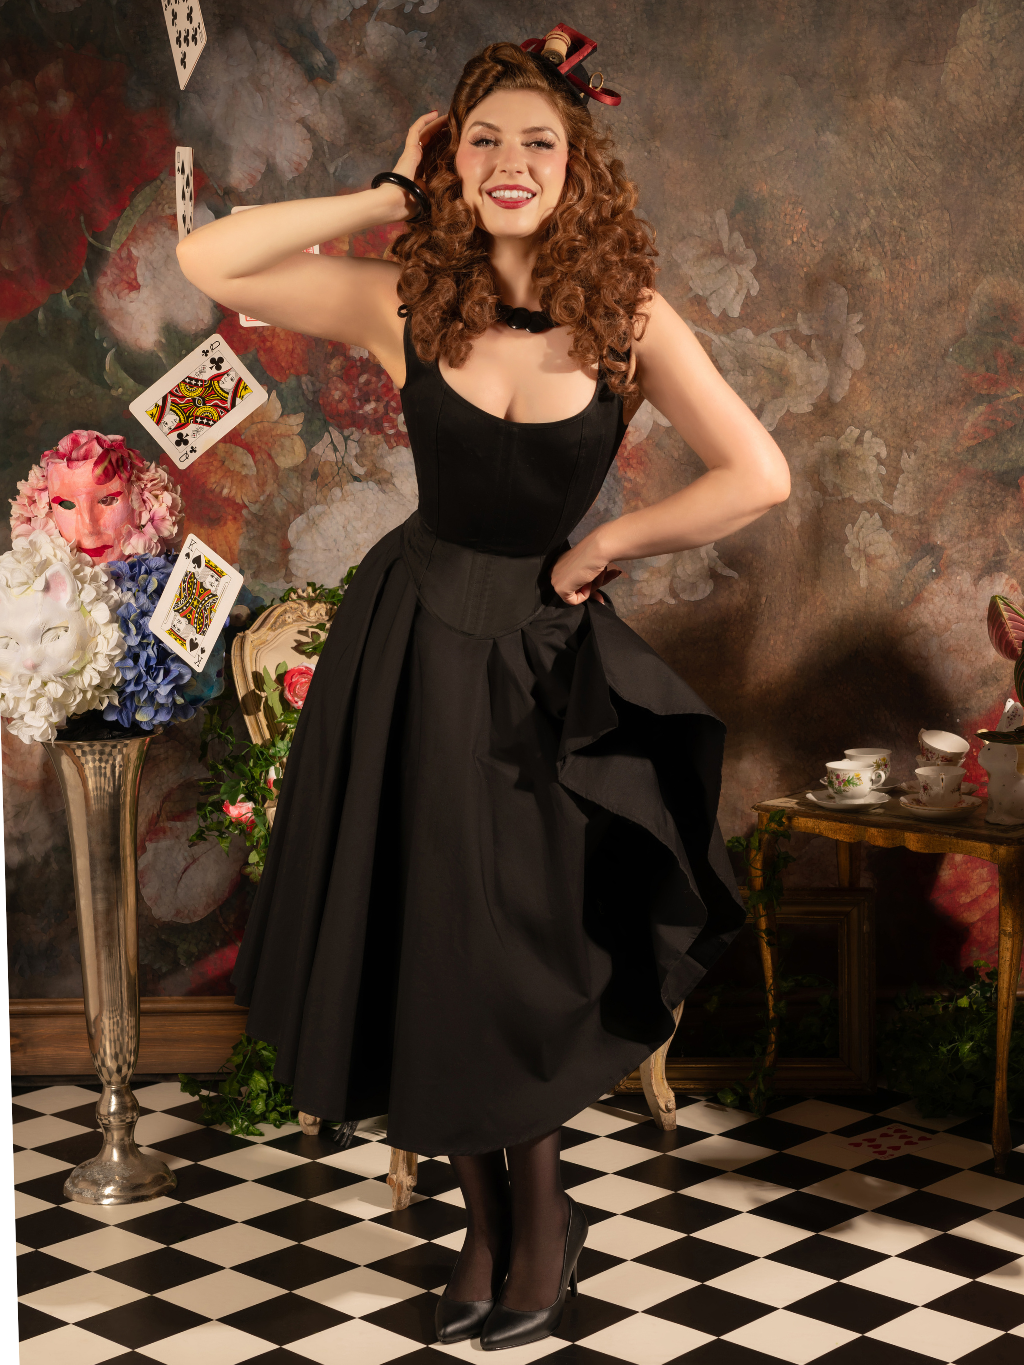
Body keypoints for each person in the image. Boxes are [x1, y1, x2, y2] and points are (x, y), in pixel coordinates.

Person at [176, 26, 790, 1352]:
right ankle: (483, 1230)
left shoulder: (628, 316)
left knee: (525, 945)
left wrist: (610, 547)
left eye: (539, 142)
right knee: (433, 931)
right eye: (485, 141)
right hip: (407, 648)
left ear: (578, 165)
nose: (512, 163)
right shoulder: (407, 294)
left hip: (541, 663)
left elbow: (758, 473)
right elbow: (209, 260)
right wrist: (385, 193)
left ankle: (543, 1225)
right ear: (453, 161)